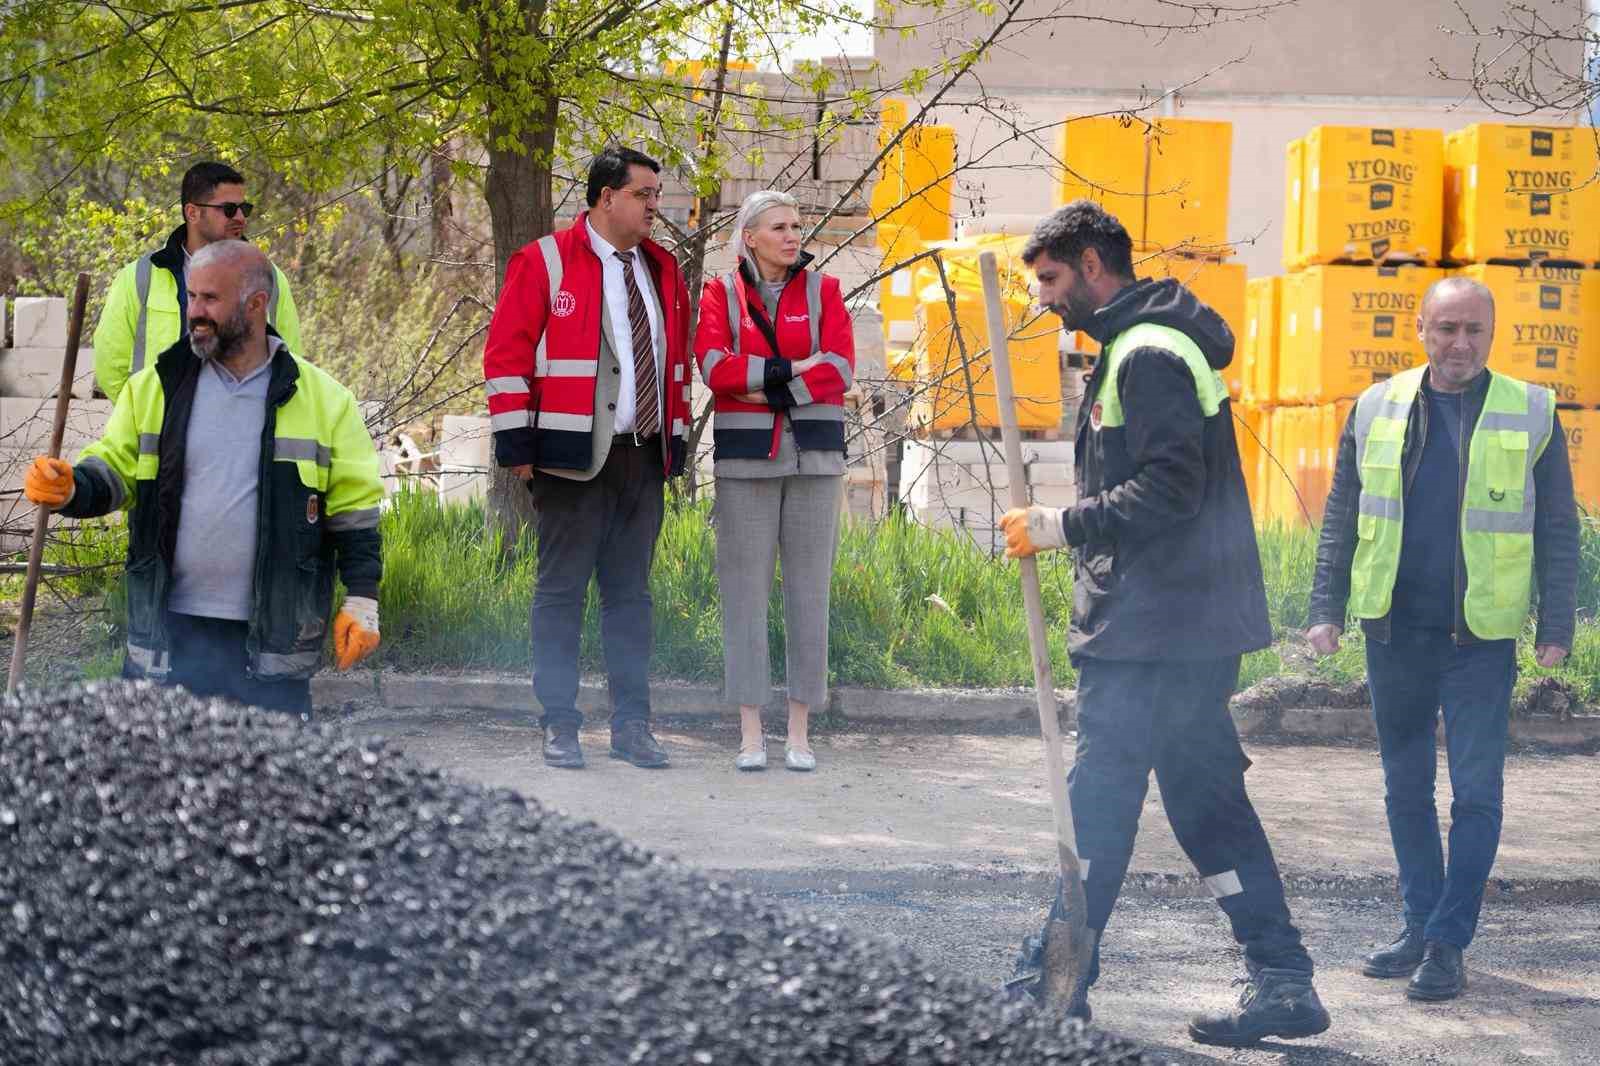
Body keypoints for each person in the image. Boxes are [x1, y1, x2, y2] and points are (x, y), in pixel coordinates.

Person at [997, 200, 1330, 1047]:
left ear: (1094, 266)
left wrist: (1060, 525)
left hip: (1156, 624)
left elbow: (1170, 488)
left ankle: (1055, 985)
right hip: (1179, 619)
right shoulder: (1145, 343)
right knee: (1205, 801)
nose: (1044, 300)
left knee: (1101, 802)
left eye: (1051, 280)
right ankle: (1282, 978)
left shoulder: (1145, 354)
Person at [1306, 276, 1579, 1002]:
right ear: (1420, 326)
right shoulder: (1377, 405)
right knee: (1405, 788)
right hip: (1394, 629)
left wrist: (1556, 624)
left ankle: (1449, 941)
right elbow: (1343, 511)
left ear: (1493, 335)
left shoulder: (1532, 411)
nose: (1460, 344)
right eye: (1447, 328)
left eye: (1474, 332)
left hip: (1480, 638)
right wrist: (1323, 607)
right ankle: (1419, 923)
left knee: (1477, 793)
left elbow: (1558, 524)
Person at [24, 240, 381, 717]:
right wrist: (71, 487)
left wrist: (362, 599)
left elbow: (355, 514)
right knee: (157, 781)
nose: (195, 311)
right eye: (191, 297)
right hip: (169, 638)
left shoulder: (324, 400)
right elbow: (115, 468)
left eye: (210, 299)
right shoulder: (156, 385)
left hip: (271, 645)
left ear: (256, 304)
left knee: (271, 784)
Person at [482, 146, 692, 771]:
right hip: (569, 458)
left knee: (631, 597)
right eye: (644, 195)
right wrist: (517, 446)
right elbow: (505, 356)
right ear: (607, 198)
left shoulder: (662, 269)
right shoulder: (544, 261)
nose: (656, 207)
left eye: (657, 195)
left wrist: (673, 440)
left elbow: (673, 363)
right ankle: (560, 724)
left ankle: (632, 726)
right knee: (561, 594)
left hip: (642, 456)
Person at [693, 190, 855, 772]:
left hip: (815, 459)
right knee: (744, 596)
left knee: (810, 595)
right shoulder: (720, 293)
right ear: (750, 237)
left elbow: (839, 367)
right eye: (780, 227)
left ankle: (801, 732)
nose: (793, 235)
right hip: (745, 462)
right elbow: (715, 367)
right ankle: (750, 733)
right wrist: (795, 369)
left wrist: (764, 387)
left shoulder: (825, 291)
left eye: (798, 224)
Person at [94, 161, 302, 404]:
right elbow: (109, 363)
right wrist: (144, 421)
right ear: (192, 212)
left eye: (244, 208)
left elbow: (291, 361)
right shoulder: (140, 277)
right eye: (228, 209)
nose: (240, 217)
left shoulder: (269, 278)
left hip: (242, 433)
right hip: (160, 436)